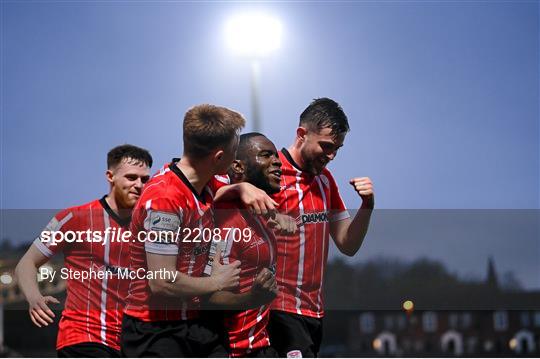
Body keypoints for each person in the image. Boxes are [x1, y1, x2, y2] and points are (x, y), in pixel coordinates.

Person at [121, 105, 277, 357]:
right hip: (156, 331)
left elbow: (229, 187)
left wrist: (243, 188)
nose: (235, 161)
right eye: (233, 152)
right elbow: (162, 282)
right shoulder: (164, 199)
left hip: (197, 323)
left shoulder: (209, 182)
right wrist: (216, 282)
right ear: (218, 158)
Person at [15, 144, 153, 357]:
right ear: (110, 176)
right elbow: (26, 263)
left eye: (145, 179)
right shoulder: (73, 218)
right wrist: (34, 298)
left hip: (133, 341)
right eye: (131, 177)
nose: (139, 185)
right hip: (83, 337)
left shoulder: (152, 225)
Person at [268, 98, 375, 357]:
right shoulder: (270, 173)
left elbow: (347, 244)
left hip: (314, 313)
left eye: (337, 149)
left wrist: (367, 206)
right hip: (278, 312)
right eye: (326, 146)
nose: (331, 156)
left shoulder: (325, 181)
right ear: (301, 134)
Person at [207, 132, 296, 358]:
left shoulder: (257, 214)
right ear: (237, 167)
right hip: (233, 350)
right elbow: (209, 296)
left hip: (261, 345)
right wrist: (251, 299)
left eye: (276, 156)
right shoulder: (227, 220)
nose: (277, 161)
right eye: (266, 155)